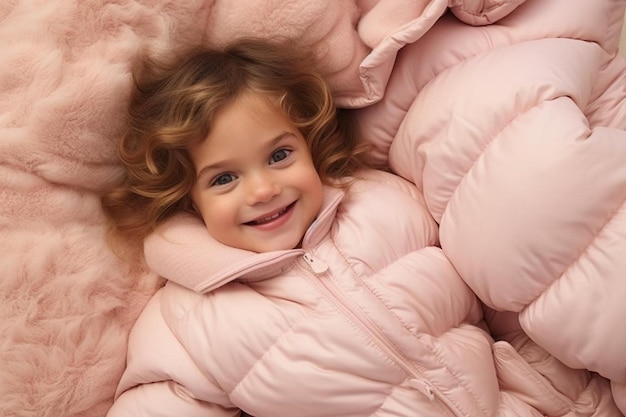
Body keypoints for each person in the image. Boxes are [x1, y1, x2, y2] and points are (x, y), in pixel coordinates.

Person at [102, 39, 619, 416]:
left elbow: (504, 300)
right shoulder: (185, 319)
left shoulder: (384, 205)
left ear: (310, 144)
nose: (262, 190)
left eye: (280, 155)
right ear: (186, 198)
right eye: (225, 178)